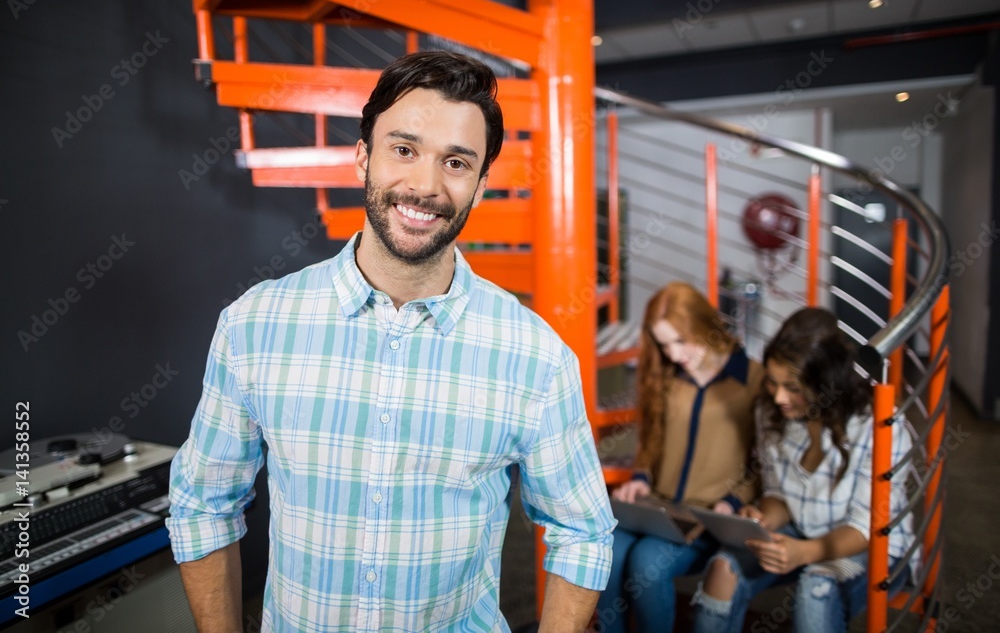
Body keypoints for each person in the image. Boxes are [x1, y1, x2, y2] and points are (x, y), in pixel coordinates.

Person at [167, 50, 615, 633]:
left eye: (456, 163)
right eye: (404, 150)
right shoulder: (254, 326)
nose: (424, 185)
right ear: (362, 157)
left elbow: (582, 531)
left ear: (481, 186)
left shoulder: (536, 356)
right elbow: (203, 506)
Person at [690, 307, 917, 633]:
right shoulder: (770, 411)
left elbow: (867, 527)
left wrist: (806, 552)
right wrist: (762, 518)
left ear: (826, 383)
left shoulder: (880, 425)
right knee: (722, 569)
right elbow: (779, 495)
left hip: (874, 547)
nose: (779, 396)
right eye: (772, 382)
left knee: (817, 588)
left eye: (793, 387)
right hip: (803, 530)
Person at [594, 282, 763, 632]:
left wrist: (735, 500)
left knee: (645, 562)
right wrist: (640, 477)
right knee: (604, 549)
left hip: (707, 516)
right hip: (656, 507)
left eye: (679, 341)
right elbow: (653, 440)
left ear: (702, 325)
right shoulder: (666, 374)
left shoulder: (753, 379)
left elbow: (764, 461)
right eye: (663, 344)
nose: (672, 354)